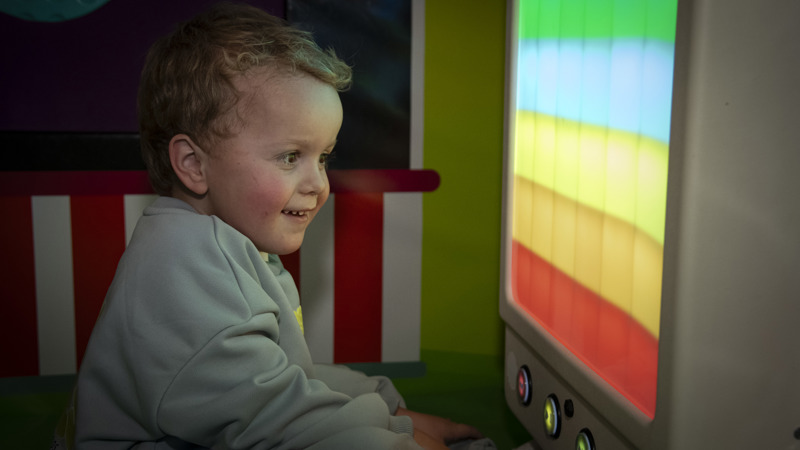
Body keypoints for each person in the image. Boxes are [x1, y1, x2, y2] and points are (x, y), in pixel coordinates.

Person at [52, 3, 492, 449]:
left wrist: (386, 407)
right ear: (193, 165)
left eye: (324, 158)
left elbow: (282, 377)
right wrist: (401, 438)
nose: (317, 184)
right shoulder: (181, 269)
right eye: (289, 157)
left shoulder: (225, 244)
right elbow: (277, 424)